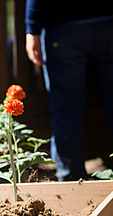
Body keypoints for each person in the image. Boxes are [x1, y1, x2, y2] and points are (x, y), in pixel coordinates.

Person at [25, 0, 113, 181]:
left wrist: (32, 28)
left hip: (64, 28)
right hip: (107, 22)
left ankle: (71, 179)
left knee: (66, 107)